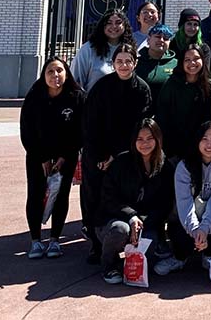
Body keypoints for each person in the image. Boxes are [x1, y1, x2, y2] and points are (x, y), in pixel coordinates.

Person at [82, 44, 152, 264]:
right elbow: (90, 123)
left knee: (124, 197)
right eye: (119, 61)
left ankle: (127, 238)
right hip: (98, 154)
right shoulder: (101, 88)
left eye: (128, 61)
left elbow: (140, 126)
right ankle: (96, 243)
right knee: (93, 197)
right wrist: (101, 155)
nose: (124, 65)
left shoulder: (141, 89)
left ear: (135, 63)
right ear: (113, 64)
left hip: (126, 154)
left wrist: (116, 155)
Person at [20, 57, 85, 260]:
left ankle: (55, 239)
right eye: (50, 71)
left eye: (59, 71)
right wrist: (42, 158)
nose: (55, 76)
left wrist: (64, 157)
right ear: (43, 75)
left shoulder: (76, 97)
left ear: (66, 73)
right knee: (36, 195)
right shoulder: (34, 97)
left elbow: (81, 131)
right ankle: (36, 240)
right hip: (38, 158)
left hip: (65, 157)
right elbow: (27, 131)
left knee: (61, 196)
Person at [96, 119, 175, 284]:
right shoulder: (121, 162)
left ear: (158, 139)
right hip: (113, 219)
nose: (145, 143)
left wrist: (141, 223)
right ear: (133, 141)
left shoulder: (165, 166)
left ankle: (128, 264)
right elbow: (108, 198)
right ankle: (108, 266)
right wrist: (131, 217)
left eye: (149, 138)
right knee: (120, 230)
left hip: (145, 223)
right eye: (140, 139)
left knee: (150, 245)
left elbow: (165, 204)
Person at [168, 121, 211, 273]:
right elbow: (184, 203)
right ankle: (179, 258)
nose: (209, 144)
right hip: (186, 221)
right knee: (177, 231)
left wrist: (204, 229)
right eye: (204, 138)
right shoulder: (184, 166)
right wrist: (195, 229)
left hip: (209, 222)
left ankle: (209, 256)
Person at [157, 44, 211, 159]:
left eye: (196, 59)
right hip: (174, 148)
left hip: (200, 147)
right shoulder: (171, 84)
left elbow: (210, 118)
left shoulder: (210, 86)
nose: (192, 63)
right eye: (187, 60)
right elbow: (162, 116)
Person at [70, 9, 136, 91]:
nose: (114, 26)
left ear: (125, 25)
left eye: (118, 23)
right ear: (102, 26)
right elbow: (75, 81)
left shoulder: (130, 49)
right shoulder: (88, 49)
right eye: (109, 23)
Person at [135, 23, 178, 112]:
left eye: (166, 38)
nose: (161, 40)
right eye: (158, 37)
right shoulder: (136, 62)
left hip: (167, 116)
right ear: (148, 40)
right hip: (140, 115)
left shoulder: (176, 64)